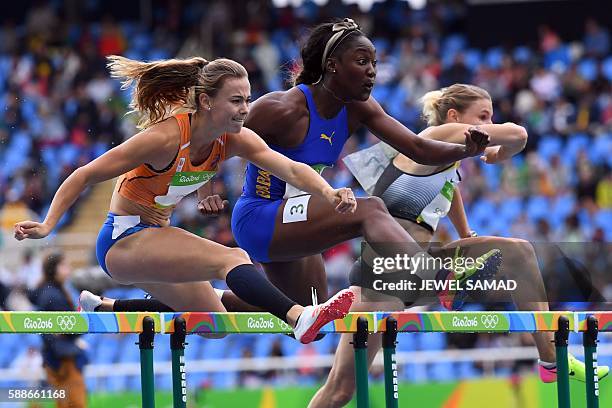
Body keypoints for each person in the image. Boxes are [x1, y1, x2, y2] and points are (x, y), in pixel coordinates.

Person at [14, 55, 357, 345]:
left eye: (248, 100)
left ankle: (103, 307)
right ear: (207, 101)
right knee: (233, 257)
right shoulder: (164, 138)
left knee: (214, 324)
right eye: (236, 101)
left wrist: (328, 192)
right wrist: (47, 224)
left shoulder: (234, 139)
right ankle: (299, 317)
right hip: (123, 240)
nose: (245, 110)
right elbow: (84, 174)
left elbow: (292, 170)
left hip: (151, 242)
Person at [309, 84, 609, 407]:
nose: (489, 122)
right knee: (340, 390)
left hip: (419, 266)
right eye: (483, 116)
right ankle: (447, 282)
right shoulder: (443, 132)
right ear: (454, 116)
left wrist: (466, 232)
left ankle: (550, 360)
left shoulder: (445, 157)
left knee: (520, 253)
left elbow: (450, 186)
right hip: (384, 274)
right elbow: (520, 135)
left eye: (492, 116)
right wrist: (496, 152)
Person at [35, 251, 88, 408]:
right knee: (75, 404)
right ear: (54, 269)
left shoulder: (50, 291)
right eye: (64, 265)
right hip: (64, 360)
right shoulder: (53, 295)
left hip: (55, 357)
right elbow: (71, 328)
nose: (69, 269)